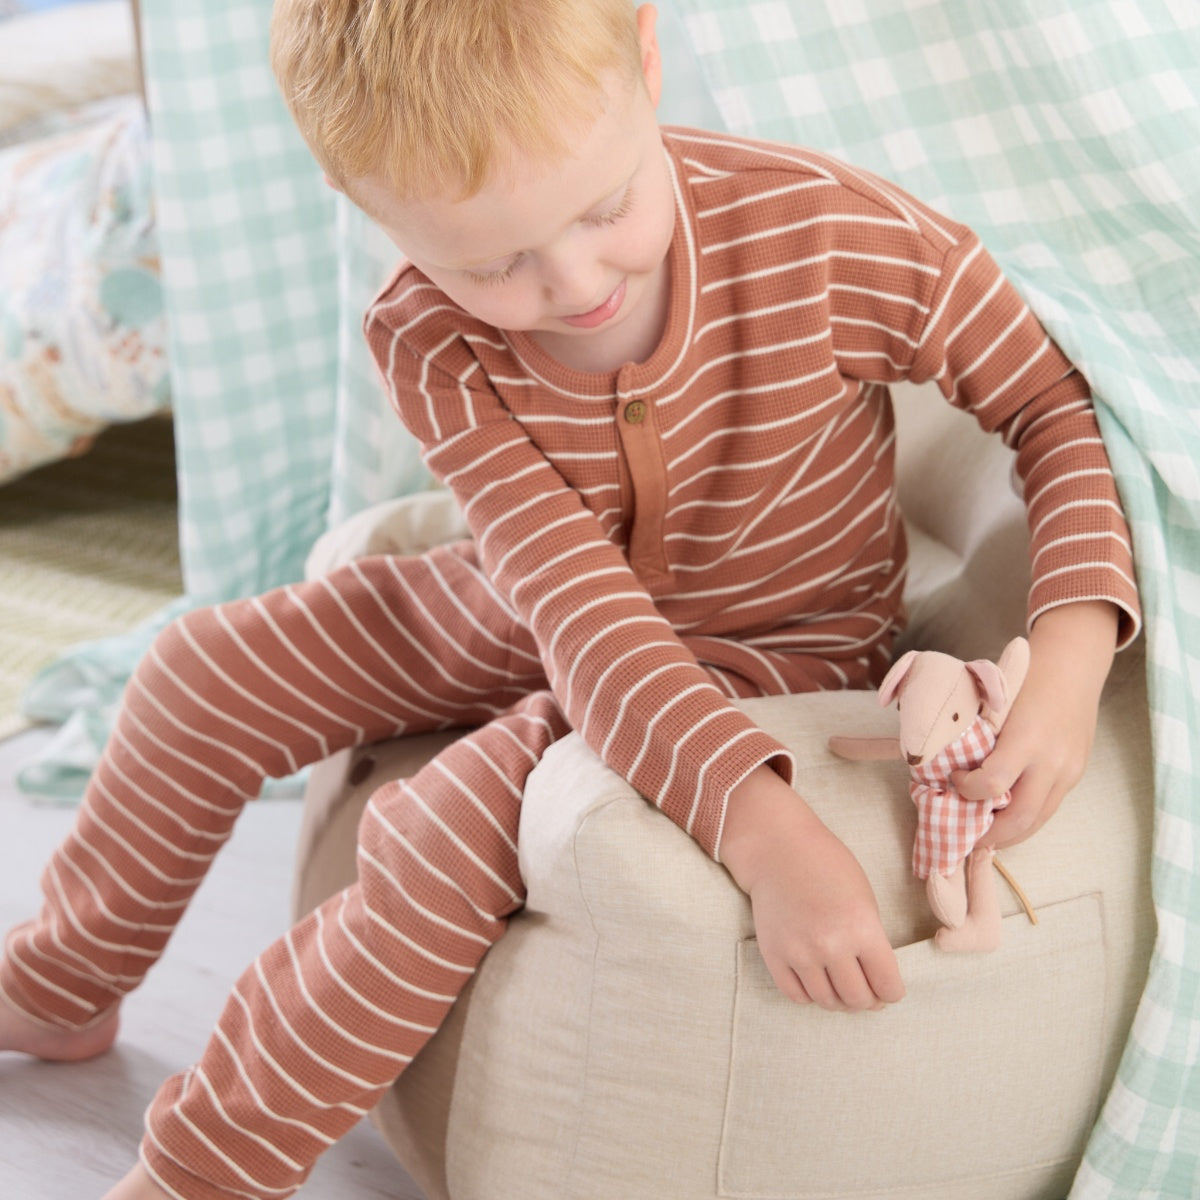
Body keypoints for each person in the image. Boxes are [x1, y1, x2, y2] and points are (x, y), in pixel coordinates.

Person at [0, 2, 1140, 1198]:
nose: (575, 280)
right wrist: (765, 838)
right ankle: (67, 981)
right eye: (493, 263)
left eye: (604, 211)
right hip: (543, 608)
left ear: (645, 64)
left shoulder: (820, 228)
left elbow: (1050, 403)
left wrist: (1066, 659)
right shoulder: (429, 337)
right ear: (363, 202)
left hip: (773, 651)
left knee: (442, 835)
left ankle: (200, 1174)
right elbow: (574, 607)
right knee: (201, 669)